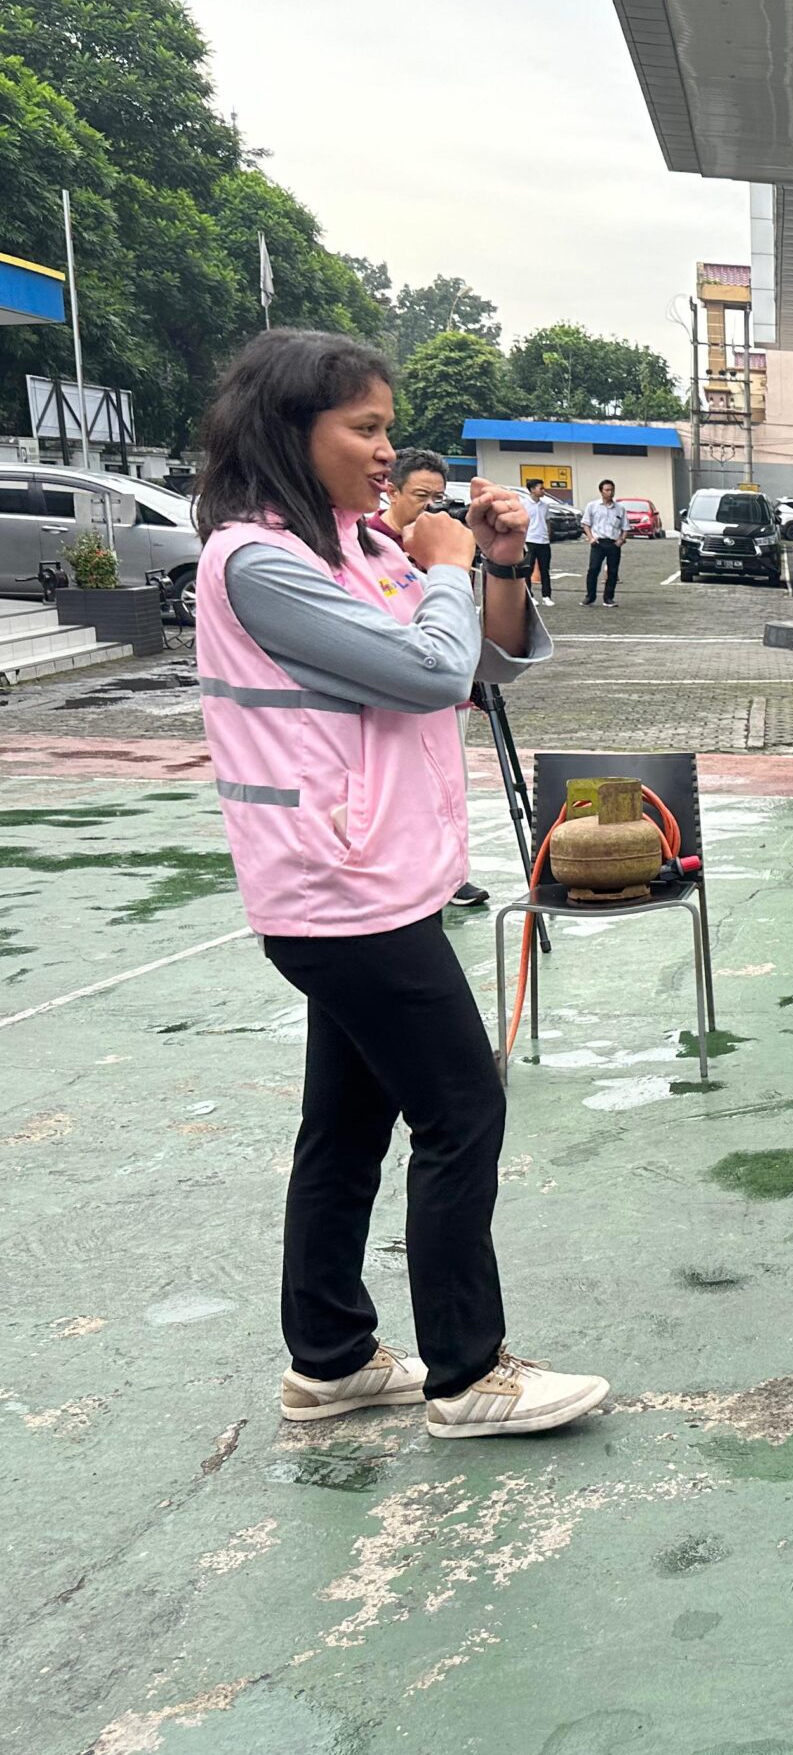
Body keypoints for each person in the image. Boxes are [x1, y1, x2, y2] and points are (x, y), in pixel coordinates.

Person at [192, 330, 609, 1443]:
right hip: (338, 890)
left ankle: (328, 1358)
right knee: (462, 1107)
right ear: (291, 432)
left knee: (345, 1121)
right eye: (364, 429)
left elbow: (484, 664)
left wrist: (497, 563)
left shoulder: (354, 547)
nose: (388, 451)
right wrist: (441, 566)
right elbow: (428, 663)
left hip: (379, 878)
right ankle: (469, 1376)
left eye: (387, 427)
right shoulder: (256, 560)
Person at [369, 449, 496, 912]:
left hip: (448, 692)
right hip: (399, 691)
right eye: (420, 496)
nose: (430, 507)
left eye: (438, 498)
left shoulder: (442, 541)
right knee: (408, 787)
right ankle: (416, 874)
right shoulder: (369, 545)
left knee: (451, 782)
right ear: (392, 489)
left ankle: (453, 874)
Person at [582, 478, 627, 606]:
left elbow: (625, 527)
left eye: (612, 490)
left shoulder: (620, 508)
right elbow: (586, 524)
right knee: (593, 569)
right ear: (601, 491)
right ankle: (590, 596)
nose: (610, 493)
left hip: (613, 543)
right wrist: (591, 538)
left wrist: (621, 540)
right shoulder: (592, 506)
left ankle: (608, 598)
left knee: (612, 571)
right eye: (607, 490)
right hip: (598, 543)